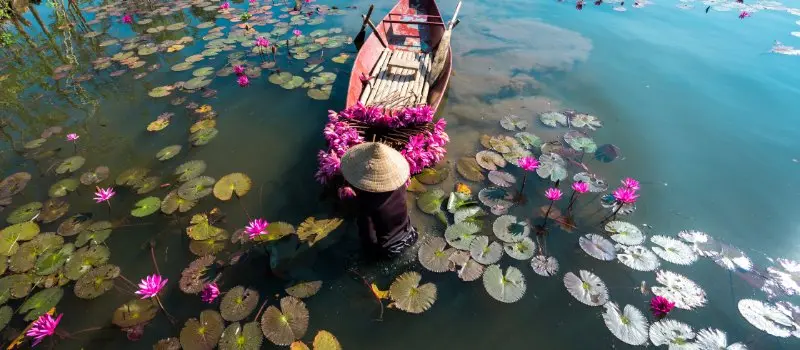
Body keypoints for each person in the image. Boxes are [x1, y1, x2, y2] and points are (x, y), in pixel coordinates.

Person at [340, 142, 418, 259]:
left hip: (390, 250)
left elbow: (369, 238)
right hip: (411, 234)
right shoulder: (398, 185)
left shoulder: (365, 204)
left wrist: (349, 204)